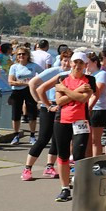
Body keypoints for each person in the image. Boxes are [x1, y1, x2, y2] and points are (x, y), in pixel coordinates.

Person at [37, 51, 97, 202]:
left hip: (81, 121)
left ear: (85, 65)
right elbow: (59, 102)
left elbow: (83, 99)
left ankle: (79, 184)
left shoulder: (90, 79)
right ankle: (64, 188)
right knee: (62, 155)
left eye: (81, 63)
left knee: (79, 155)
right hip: (62, 120)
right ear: (71, 63)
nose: (77, 66)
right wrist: (74, 92)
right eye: (75, 62)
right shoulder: (63, 78)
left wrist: (65, 90)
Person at [21, 51, 71, 181]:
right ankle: (27, 168)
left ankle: (49, 166)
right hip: (48, 107)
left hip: (63, 108)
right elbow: (33, 83)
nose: (67, 63)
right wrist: (40, 101)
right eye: (64, 60)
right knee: (43, 138)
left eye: (69, 61)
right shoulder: (55, 71)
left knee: (57, 139)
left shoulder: (72, 74)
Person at [7, 47, 41, 145]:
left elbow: (44, 75)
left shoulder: (34, 66)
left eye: (23, 54)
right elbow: (10, 81)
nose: (21, 56)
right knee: (16, 114)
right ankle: (16, 135)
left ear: (27, 55)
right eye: (19, 54)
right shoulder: (14, 67)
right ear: (16, 56)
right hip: (17, 92)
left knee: (32, 114)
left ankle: (32, 136)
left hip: (30, 91)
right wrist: (25, 83)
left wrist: (36, 84)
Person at [87, 52, 106, 157]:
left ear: (94, 62)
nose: (85, 65)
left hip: (98, 108)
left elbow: (97, 91)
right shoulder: (89, 75)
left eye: (87, 63)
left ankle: (96, 162)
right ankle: (86, 161)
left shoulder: (102, 74)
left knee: (95, 139)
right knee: (87, 139)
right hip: (87, 107)